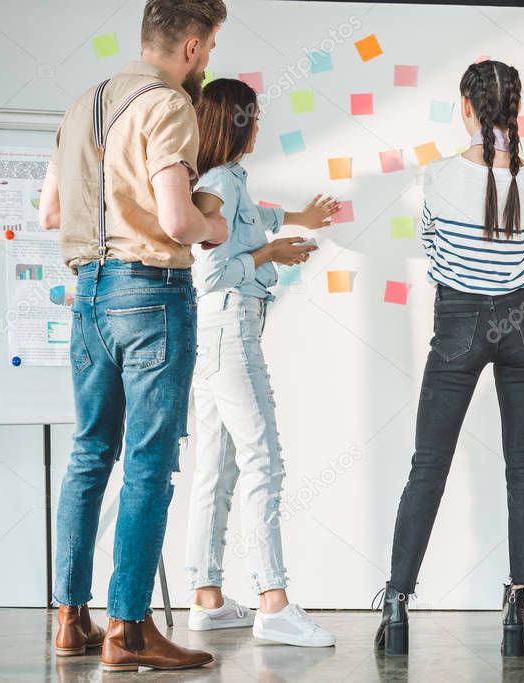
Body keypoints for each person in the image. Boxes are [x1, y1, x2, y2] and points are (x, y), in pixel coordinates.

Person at [37, 0, 230, 671]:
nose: (207, 60)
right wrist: (216, 224)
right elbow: (178, 221)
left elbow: (50, 211)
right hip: (151, 295)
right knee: (148, 463)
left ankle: (71, 619)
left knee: (89, 454)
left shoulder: (80, 106)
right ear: (193, 46)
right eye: (209, 48)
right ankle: (129, 630)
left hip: (86, 294)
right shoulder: (169, 103)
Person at [374, 60, 524, 658]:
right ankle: (517, 610)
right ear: (516, 108)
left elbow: (431, 249)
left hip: (458, 322)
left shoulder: (437, 175)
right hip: (521, 323)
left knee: (429, 464)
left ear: (467, 107)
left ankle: (397, 603)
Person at [183, 78, 340, 647]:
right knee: (263, 461)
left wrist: (293, 218)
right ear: (240, 123)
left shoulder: (223, 181)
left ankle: (206, 597)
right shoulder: (221, 180)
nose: (260, 124)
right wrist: (270, 254)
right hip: (229, 331)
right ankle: (273, 602)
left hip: (214, 336)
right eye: (254, 115)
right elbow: (212, 273)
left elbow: (251, 216)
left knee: (217, 468)